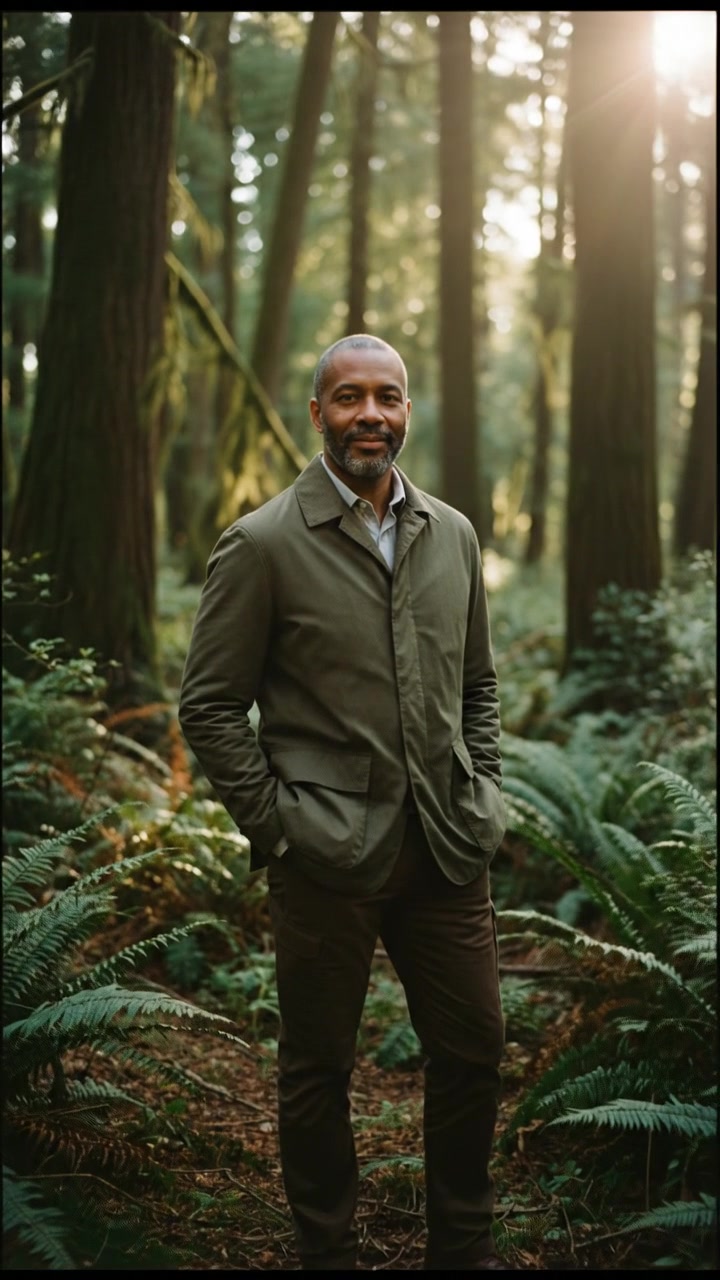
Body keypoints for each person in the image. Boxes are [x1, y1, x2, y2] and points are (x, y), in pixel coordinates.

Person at [178, 334, 510, 1271]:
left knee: (476, 1049)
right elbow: (208, 705)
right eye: (351, 397)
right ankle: (325, 1248)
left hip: (447, 848)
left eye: (390, 397)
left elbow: (477, 687)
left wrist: (480, 789)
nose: (373, 413)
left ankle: (464, 1246)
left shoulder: (454, 534)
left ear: (408, 411)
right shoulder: (263, 543)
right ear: (316, 413)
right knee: (317, 1068)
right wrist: (278, 826)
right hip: (324, 858)